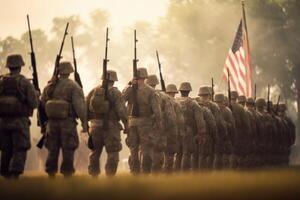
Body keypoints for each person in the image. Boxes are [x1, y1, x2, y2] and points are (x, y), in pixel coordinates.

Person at [41, 61, 87, 178]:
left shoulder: (49, 87)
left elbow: (42, 106)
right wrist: (84, 124)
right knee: (68, 149)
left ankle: (50, 173)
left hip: (51, 123)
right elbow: (80, 107)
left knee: (53, 149)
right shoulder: (74, 86)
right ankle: (67, 174)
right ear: (70, 72)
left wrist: (42, 125)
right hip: (68, 123)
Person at [0, 54, 38, 179]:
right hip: (20, 122)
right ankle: (15, 175)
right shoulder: (25, 83)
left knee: (6, 149)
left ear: (9, 67)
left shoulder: (1, 81)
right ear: (20, 67)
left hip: (3, 122)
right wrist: (37, 94)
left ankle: (5, 175)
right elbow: (34, 103)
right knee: (20, 148)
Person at [86, 70, 128, 177]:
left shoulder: (94, 91)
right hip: (111, 127)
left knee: (95, 152)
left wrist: (87, 124)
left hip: (94, 126)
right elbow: (122, 111)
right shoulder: (116, 93)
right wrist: (126, 124)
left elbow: (86, 107)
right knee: (113, 152)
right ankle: (109, 176)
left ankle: (93, 175)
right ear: (114, 81)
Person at [122, 68, 162, 174]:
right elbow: (157, 111)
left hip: (132, 123)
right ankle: (145, 172)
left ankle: (135, 172)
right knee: (145, 149)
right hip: (146, 124)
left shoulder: (129, 89)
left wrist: (129, 85)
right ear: (145, 77)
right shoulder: (150, 91)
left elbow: (121, 100)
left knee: (133, 149)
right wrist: (159, 124)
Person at [146, 75, 177, 173]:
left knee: (144, 150)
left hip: (143, 127)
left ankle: (143, 173)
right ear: (156, 83)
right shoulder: (163, 96)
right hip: (159, 128)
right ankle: (156, 173)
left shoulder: (139, 92)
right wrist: (171, 129)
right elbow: (170, 116)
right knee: (158, 151)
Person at [176, 82, 206, 171]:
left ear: (180, 91)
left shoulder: (174, 101)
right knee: (186, 153)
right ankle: (184, 174)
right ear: (189, 91)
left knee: (178, 153)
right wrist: (202, 133)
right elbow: (199, 120)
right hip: (188, 131)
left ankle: (175, 174)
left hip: (176, 130)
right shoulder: (193, 104)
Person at [165, 84, 185, 171]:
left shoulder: (160, 101)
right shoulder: (176, 103)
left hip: (161, 131)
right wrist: (181, 132)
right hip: (172, 131)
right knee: (170, 153)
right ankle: (168, 171)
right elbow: (180, 120)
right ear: (174, 93)